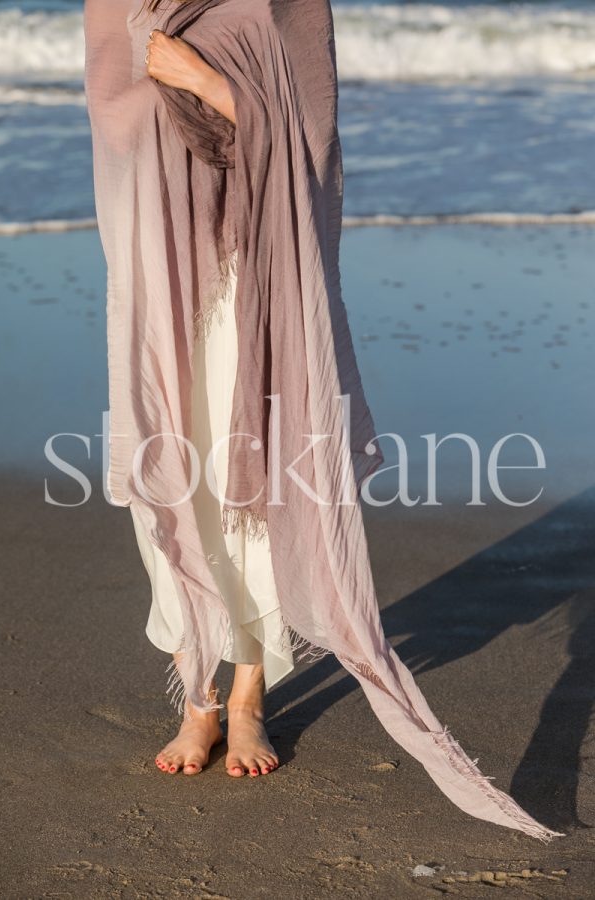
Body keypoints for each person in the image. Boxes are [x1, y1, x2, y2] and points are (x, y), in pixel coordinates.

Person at [84, 0, 562, 840]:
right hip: (161, 263)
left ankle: (244, 698)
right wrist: (163, 84)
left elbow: (307, 142)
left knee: (261, 480)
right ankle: (193, 690)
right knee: (170, 468)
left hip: (258, 276)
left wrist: (206, 82)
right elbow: (116, 128)